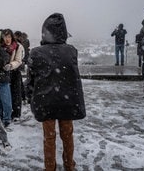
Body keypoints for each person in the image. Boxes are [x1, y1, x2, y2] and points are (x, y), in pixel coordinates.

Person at [26, 13, 86, 171]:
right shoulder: (71, 51)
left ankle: (50, 168)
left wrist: (28, 95)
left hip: (46, 101)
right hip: (67, 101)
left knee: (49, 138)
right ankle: (69, 166)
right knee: (67, 136)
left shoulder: (36, 52)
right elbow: (73, 77)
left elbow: (30, 79)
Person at [0, 29, 24, 122]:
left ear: (12, 37)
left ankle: (16, 113)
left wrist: (10, 65)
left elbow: (18, 60)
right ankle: (6, 113)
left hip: (14, 72)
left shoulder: (18, 46)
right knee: (5, 95)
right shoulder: (1, 47)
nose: (7, 39)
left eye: (9, 36)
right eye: (5, 37)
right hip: (3, 73)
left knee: (16, 93)